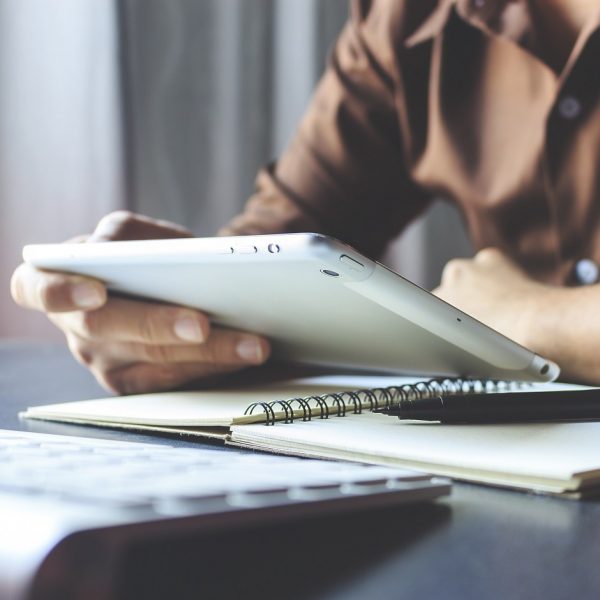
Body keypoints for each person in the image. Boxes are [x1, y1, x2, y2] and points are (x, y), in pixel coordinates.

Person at [10, 0, 600, 392]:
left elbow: (518, 324)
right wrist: (167, 311)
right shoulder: (408, 16)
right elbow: (291, 241)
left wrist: (531, 320)